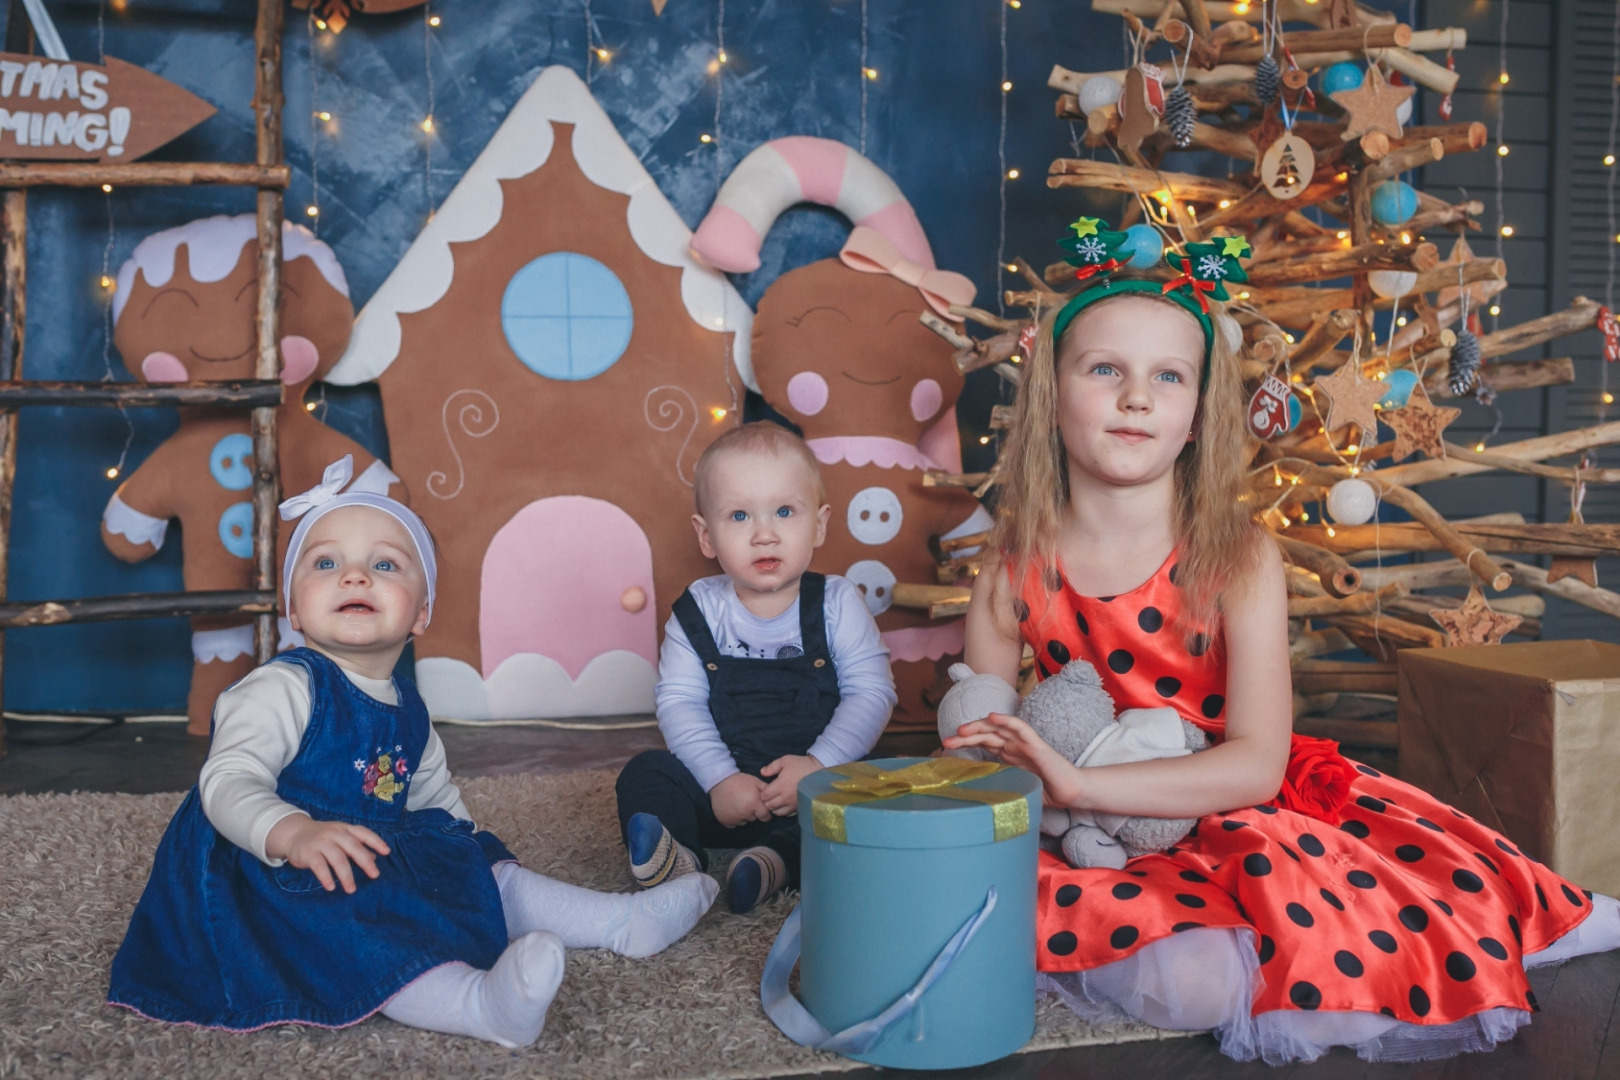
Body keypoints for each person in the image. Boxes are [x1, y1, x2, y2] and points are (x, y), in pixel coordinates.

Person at [943, 221, 1620, 1065]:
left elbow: (1257, 763)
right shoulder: (1012, 571)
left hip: (1228, 810)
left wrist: (1084, 780)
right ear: (1053, 391)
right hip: (1079, 831)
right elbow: (980, 742)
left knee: (1406, 908)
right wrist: (1044, 785)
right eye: (1105, 369)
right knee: (984, 919)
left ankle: (1550, 915)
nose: (1136, 397)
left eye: (1168, 376)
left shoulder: (1236, 556)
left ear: (1196, 413)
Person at [108, 456, 717, 1046]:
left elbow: (430, 793)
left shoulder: (408, 704)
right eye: (325, 563)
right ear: (293, 609)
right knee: (359, 928)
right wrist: (292, 832)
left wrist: (463, 864)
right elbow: (227, 782)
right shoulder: (283, 687)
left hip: (371, 843)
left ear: (421, 613)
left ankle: (620, 923)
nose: (355, 576)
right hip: (271, 868)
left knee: (479, 868)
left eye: (384, 564)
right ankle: (478, 1005)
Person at [616, 423, 897, 915]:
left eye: (785, 511)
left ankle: (774, 863)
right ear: (706, 535)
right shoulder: (698, 610)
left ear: (819, 524)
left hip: (814, 785)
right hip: (720, 793)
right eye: (740, 515)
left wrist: (820, 765)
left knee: (878, 792)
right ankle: (678, 860)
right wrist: (719, 779)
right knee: (645, 775)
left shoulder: (836, 602)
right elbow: (680, 702)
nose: (764, 533)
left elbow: (871, 692)